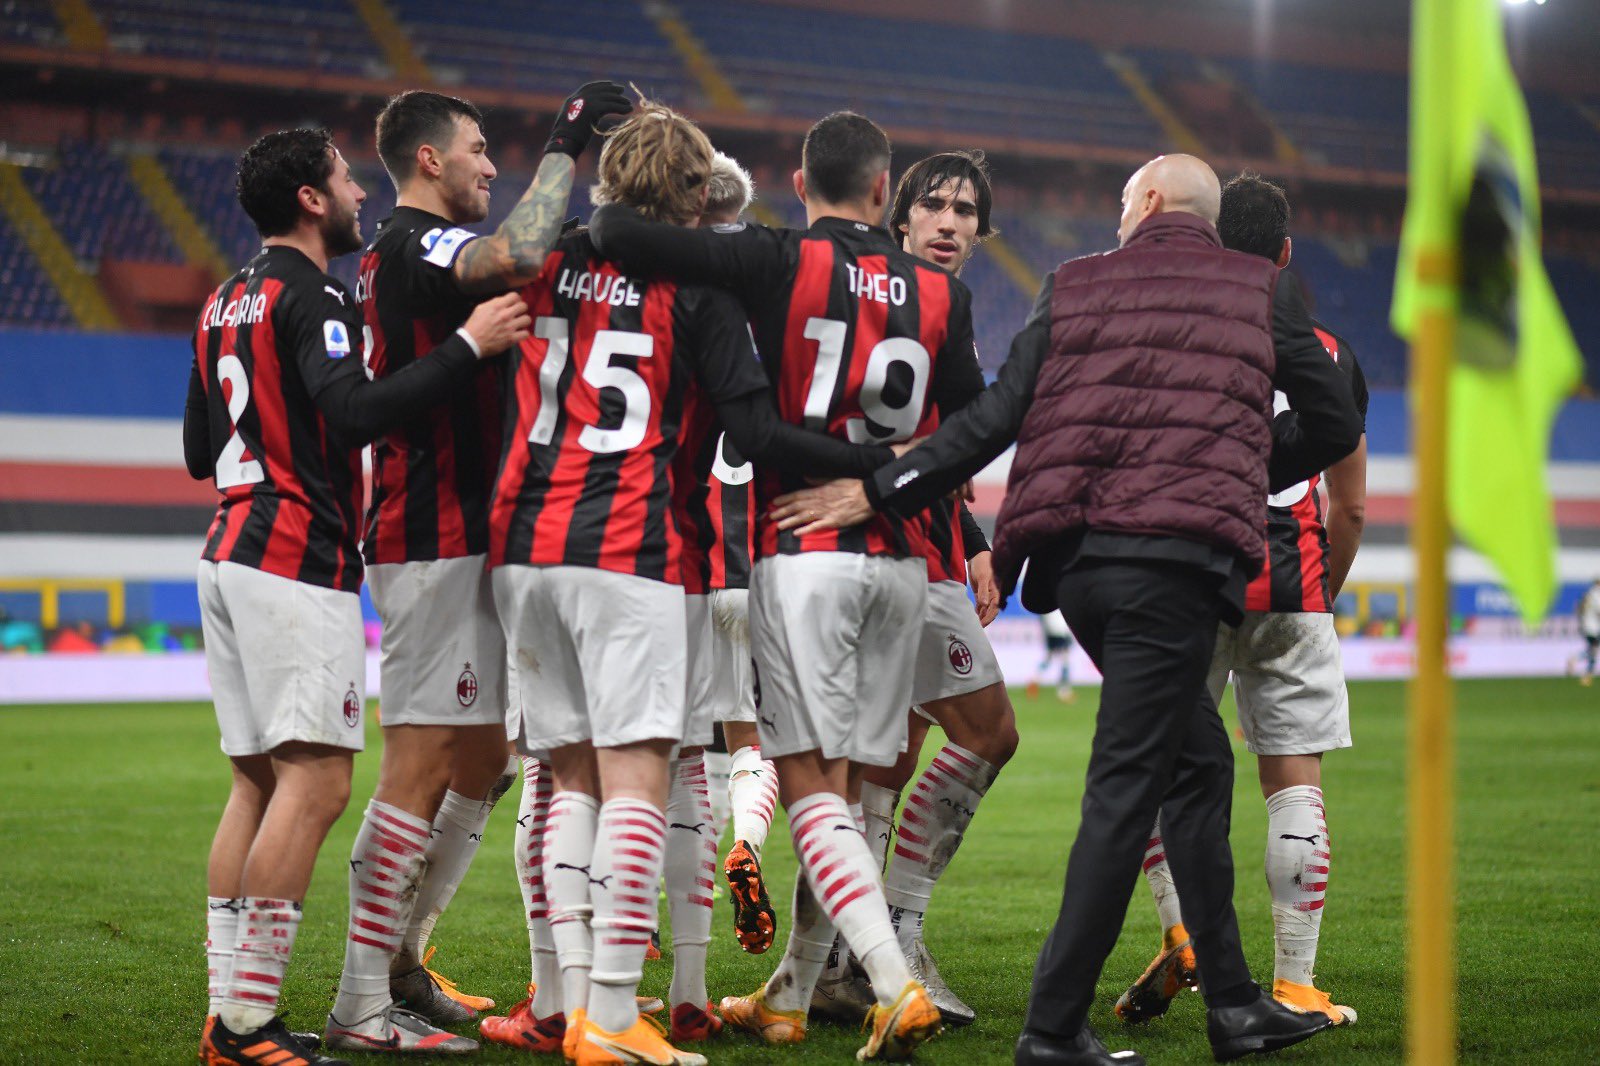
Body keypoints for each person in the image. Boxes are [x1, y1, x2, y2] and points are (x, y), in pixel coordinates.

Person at [770, 153, 1364, 1065]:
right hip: (1170, 567)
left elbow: (994, 418)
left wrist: (882, 487)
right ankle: (1053, 1029)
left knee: (1197, 765)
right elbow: (1332, 424)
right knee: (1129, 791)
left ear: (1152, 201)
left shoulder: (1074, 283)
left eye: (1125, 200)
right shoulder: (1261, 291)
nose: (1120, 214)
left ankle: (1235, 1004)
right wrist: (1240, 462)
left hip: (1081, 568)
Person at [490, 99, 895, 1066]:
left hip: (524, 546)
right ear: (692, 192)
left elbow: (506, 257)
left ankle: (570, 1001)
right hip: (630, 548)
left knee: (567, 776)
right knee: (643, 777)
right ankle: (616, 1015)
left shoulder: (545, 257)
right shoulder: (698, 291)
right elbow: (747, 435)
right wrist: (871, 465)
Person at [589, 110, 982, 1061]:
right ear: (886, 192)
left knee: (807, 785)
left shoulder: (775, 258)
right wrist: (890, 478)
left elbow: (616, 232)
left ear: (801, 186)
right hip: (902, 562)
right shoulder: (944, 293)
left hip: (799, 551)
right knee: (848, 793)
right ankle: (801, 991)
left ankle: (889, 983)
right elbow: (974, 427)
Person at [185, 127, 526, 1066]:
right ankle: (249, 1025)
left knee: (256, 780)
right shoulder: (317, 293)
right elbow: (354, 413)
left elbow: (197, 448)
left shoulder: (222, 299)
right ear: (310, 198)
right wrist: (467, 345)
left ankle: (228, 1011)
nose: (357, 194)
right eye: (342, 178)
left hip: (227, 544)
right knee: (318, 782)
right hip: (296, 554)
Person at [325, 82, 630, 1054]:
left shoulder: (413, 250)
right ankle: (358, 1004)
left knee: (484, 759)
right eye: (478, 149)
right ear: (429, 159)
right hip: (432, 536)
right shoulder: (413, 241)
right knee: (418, 765)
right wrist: (566, 142)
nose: (492, 166)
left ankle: (401, 963)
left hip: (468, 537)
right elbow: (513, 255)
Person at [1118, 171, 1369, 1030]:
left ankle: (1183, 934)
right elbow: (1351, 506)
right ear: (1287, 253)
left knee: (1165, 765)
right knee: (1294, 785)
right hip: (1294, 586)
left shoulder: (1178, 336)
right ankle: (1296, 983)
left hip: (1194, 580)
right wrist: (1320, 595)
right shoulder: (1331, 353)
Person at [814, 150, 1017, 1031]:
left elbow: (942, 450)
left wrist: (975, 539)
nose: (949, 221)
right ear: (899, 216)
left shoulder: (934, 305)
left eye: (966, 211)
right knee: (988, 733)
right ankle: (894, 934)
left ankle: (843, 964)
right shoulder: (905, 298)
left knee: (884, 762)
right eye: (933, 205)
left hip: (921, 544)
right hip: (892, 554)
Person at [1028, 610, 1077, 703]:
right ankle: (1064, 691)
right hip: (1061, 630)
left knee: (1049, 657)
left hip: (1051, 630)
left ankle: (1034, 680)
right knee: (1065, 660)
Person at [1574, 578, 1600, 685]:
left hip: (1588, 625)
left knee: (1593, 650)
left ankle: (1587, 673)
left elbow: (1579, 608)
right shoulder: (1596, 594)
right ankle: (1587, 673)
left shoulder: (1589, 593)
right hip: (1593, 627)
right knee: (1593, 650)